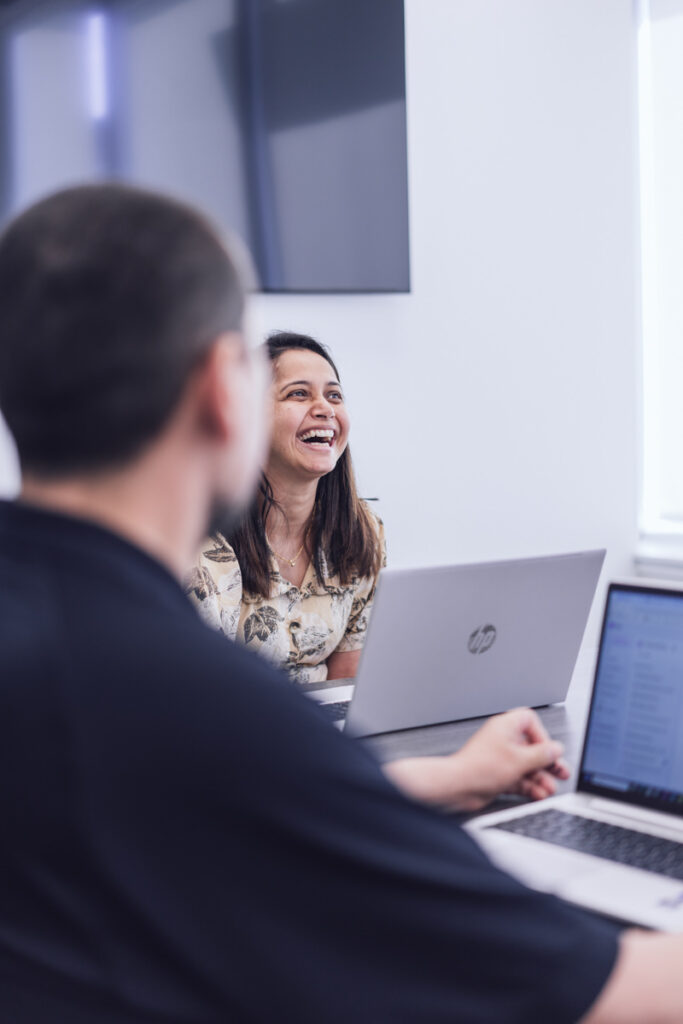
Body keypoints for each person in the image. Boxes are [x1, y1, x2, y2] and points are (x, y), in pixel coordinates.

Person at [0, 183, 677, 1023]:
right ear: (225, 390)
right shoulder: (194, 697)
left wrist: (453, 777)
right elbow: (613, 993)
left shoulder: (65, 641)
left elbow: (240, 797)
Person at [187, 331, 384, 684]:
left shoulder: (363, 531)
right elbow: (196, 689)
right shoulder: (200, 541)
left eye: (334, 395)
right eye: (299, 393)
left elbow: (349, 686)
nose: (325, 408)